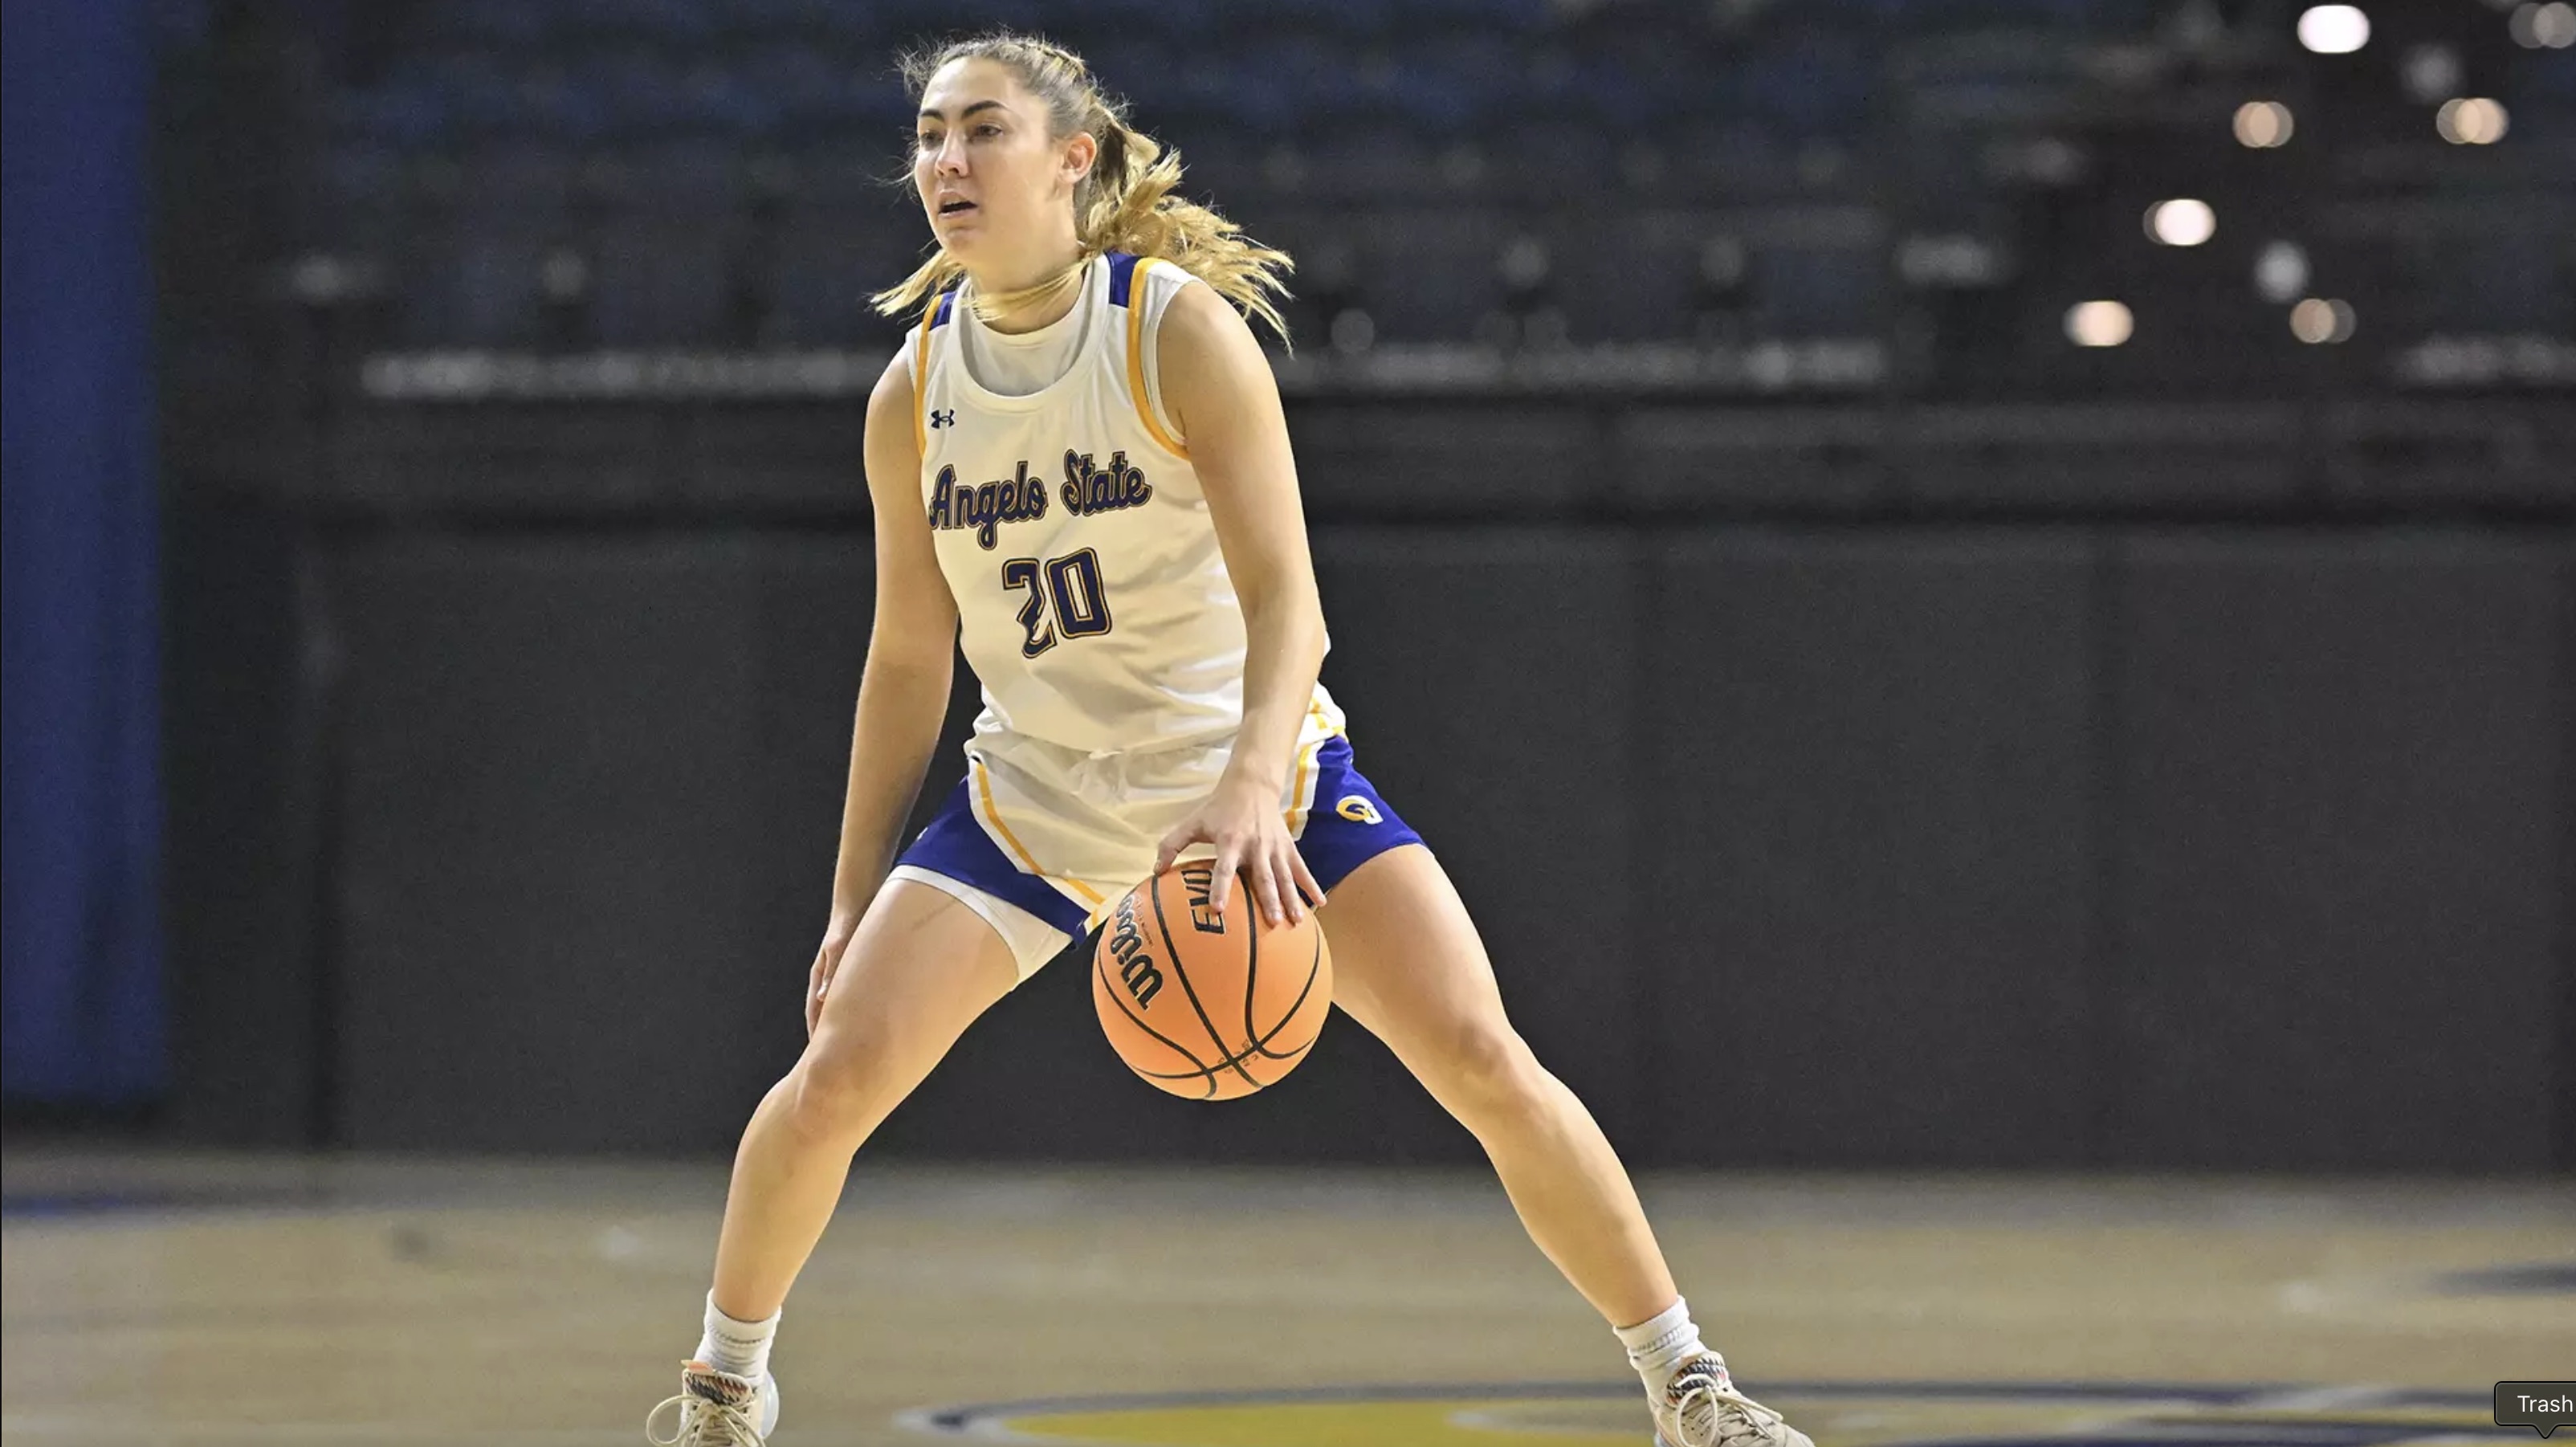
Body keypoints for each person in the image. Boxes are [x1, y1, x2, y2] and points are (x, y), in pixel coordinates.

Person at [646, 33, 1815, 1447]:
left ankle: (1689, 1384)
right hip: (1039, 796)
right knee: (830, 1076)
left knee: (1480, 1052)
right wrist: (849, 896)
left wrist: (1257, 788)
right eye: (931, 137)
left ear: (1072, 159)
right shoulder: (915, 391)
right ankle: (722, 1388)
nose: (946, 161)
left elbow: (1289, 602)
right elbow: (909, 654)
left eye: (983, 131)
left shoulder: (1171, 328)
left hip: (1257, 778)